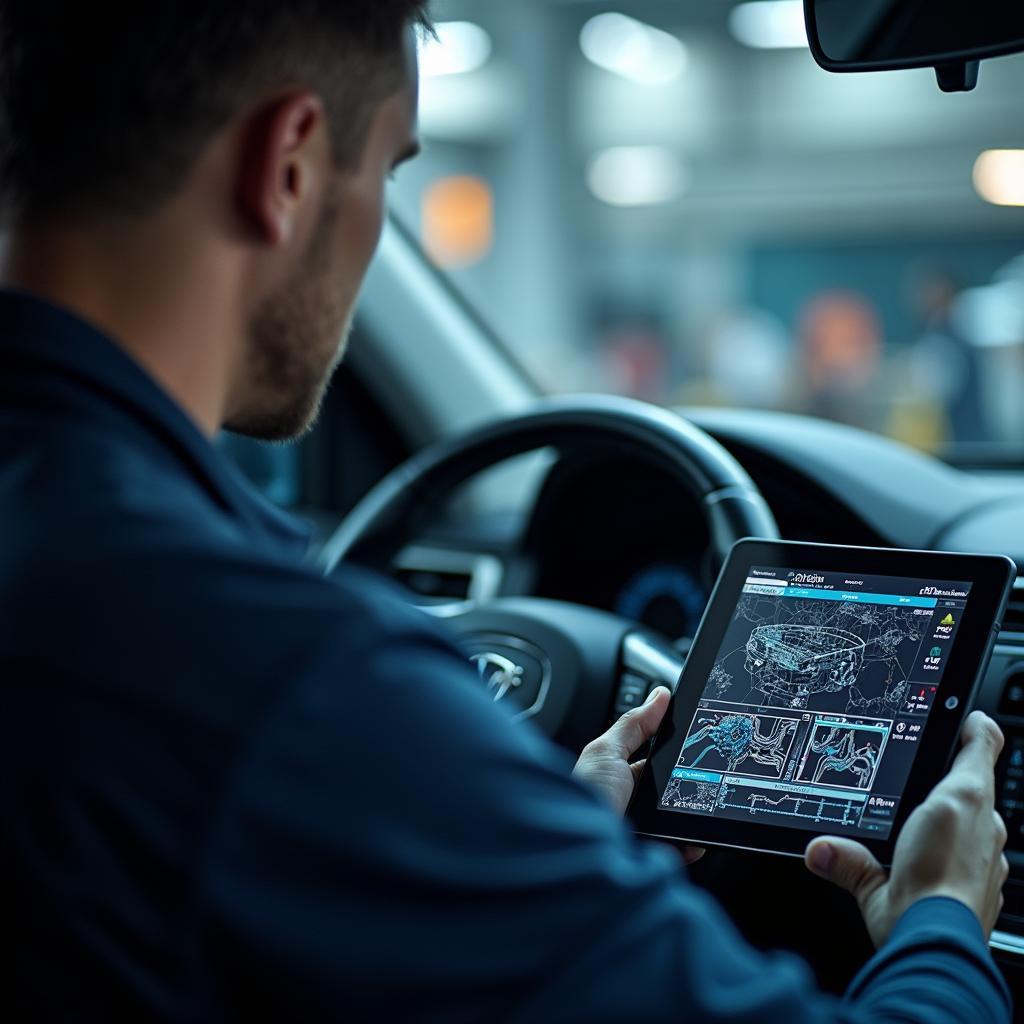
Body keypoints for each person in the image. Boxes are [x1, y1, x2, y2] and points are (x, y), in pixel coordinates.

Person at [0, 3, 1011, 1021]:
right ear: (292, 164)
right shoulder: (288, 686)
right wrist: (940, 916)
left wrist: (537, 840)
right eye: (392, 175)